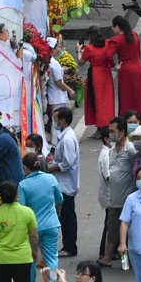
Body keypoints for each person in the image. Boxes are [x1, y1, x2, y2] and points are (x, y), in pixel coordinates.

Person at [97, 123, 136, 266]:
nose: (111, 134)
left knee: (125, 236)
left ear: (122, 132)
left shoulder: (130, 150)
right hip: (114, 200)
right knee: (112, 231)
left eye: (113, 131)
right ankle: (107, 257)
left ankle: (126, 262)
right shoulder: (112, 150)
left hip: (127, 201)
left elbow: (136, 169)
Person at [53, 108, 82, 257]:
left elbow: (67, 163)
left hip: (66, 184)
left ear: (62, 121)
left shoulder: (67, 139)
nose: (54, 122)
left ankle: (70, 246)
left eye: (56, 119)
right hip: (62, 183)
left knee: (67, 216)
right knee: (65, 214)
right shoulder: (63, 137)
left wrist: (50, 168)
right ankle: (68, 244)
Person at [111, 15, 141, 119]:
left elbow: (107, 55)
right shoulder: (134, 35)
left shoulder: (117, 40)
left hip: (126, 70)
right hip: (138, 67)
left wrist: (114, 65)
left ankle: (126, 123)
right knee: (139, 98)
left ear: (117, 27)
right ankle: (140, 121)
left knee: (127, 98)